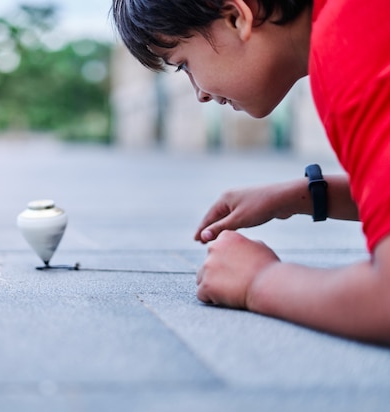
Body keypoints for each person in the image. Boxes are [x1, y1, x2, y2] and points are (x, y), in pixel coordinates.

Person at [111, 0, 390, 344]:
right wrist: (309, 195)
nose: (198, 94)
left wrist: (259, 282)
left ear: (235, 17)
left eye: (184, 64)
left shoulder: (347, 46)